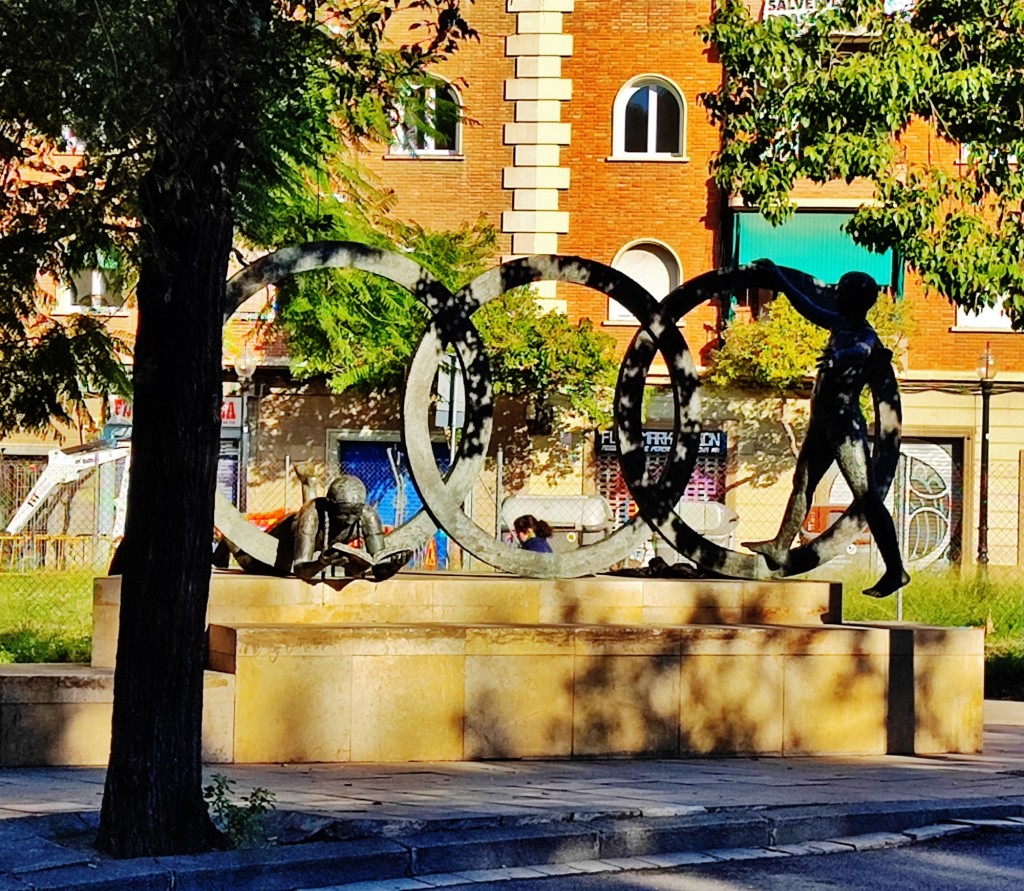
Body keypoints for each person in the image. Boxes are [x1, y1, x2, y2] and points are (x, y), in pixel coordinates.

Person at [742, 262, 910, 599]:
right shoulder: (839, 324)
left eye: (842, 291)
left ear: (856, 299)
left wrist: (837, 358)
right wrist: (779, 280)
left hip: (844, 426)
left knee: (865, 496)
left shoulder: (863, 335)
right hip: (823, 422)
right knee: (802, 482)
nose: (836, 295)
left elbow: (862, 352)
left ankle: (895, 569)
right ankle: (780, 545)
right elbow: (808, 307)